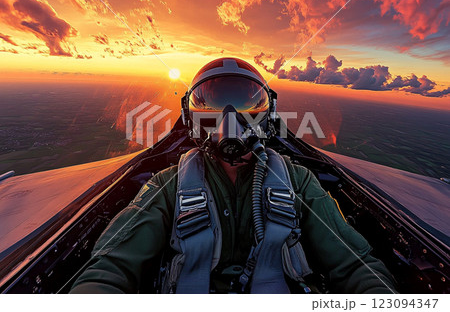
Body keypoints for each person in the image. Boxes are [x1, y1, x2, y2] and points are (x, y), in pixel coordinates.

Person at [70, 57, 396, 294]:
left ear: (267, 113)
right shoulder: (168, 185)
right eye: (212, 105)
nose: (231, 120)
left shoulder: (298, 182)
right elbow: (111, 267)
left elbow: (355, 265)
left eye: (245, 104)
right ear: (191, 117)